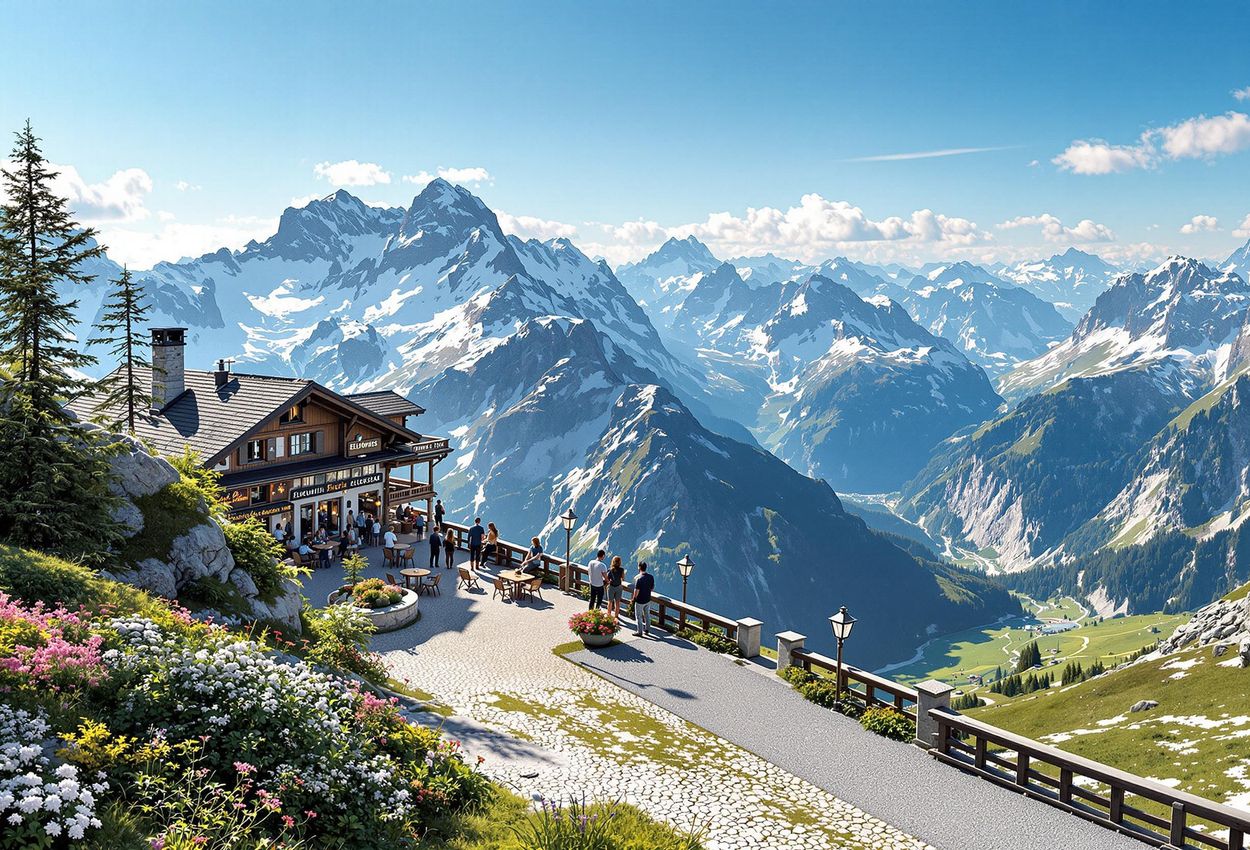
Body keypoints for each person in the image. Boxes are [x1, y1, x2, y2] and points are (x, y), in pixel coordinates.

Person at [631, 561, 655, 637]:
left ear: (639, 567)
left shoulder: (639, 579)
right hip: (647, 599)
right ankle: (647, 630)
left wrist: (633, 599)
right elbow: (652, 588)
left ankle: (639, 631)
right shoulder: (651, 577)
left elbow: (636, 591)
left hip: (640, 601)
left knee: (639, 616)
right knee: (647, 615)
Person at [605, 556, 625, 620]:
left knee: (610, 602)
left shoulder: (610, 570)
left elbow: (607, 578)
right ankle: (616, 616)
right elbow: (623, 578)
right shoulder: (621, 570)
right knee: (617, 602)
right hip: (619, 587)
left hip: (611, 587)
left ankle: (609, 614)